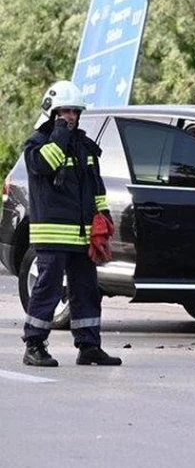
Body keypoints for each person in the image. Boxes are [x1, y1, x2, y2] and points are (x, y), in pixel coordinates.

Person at [21, 80, 122, 367]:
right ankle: (35, 345)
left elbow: (96, 186)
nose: (70, 117)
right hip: (53, 233)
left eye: (74, 112)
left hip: (82, 234)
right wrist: (60, 136)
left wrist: (104, 218)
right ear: (52, 112)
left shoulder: (85, 147)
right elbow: (43, 166)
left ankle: (89, 346)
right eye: (64, 111)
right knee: (48, 290)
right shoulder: (38, 144)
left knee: (87, 289)